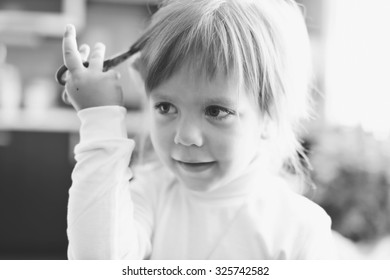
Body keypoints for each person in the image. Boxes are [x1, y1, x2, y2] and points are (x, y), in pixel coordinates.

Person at [63, 0, 336, 259]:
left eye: (216, 111)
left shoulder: (300, 230)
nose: (186, 136)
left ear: (269, 116)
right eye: (166, 107)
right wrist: (100, 119)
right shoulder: (150, 195)